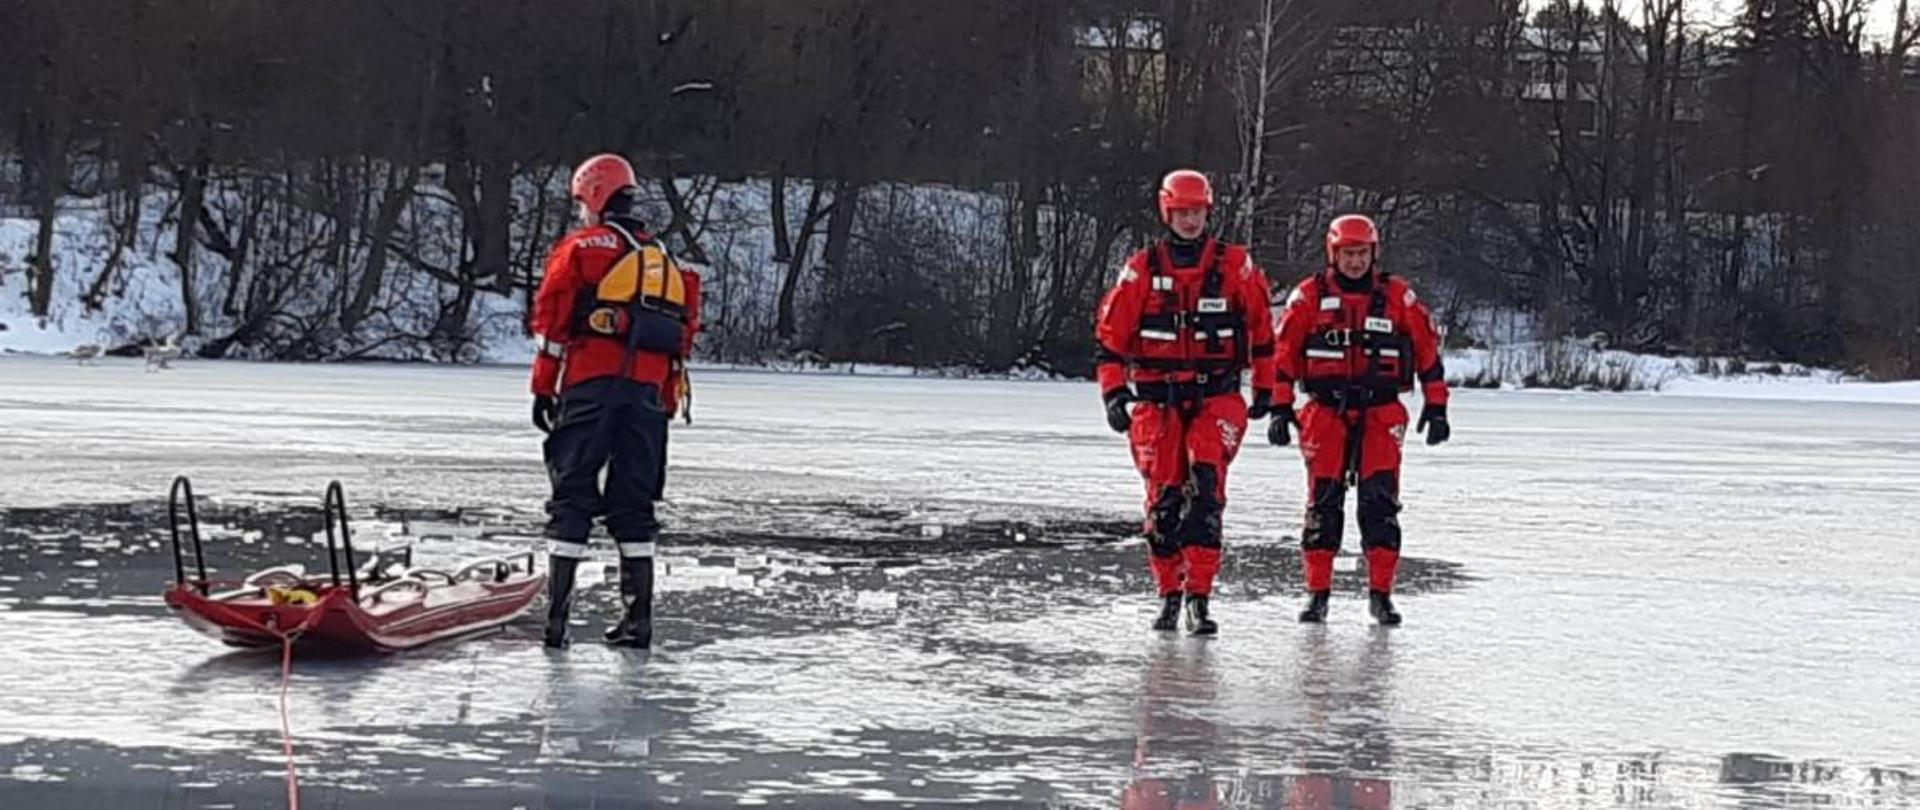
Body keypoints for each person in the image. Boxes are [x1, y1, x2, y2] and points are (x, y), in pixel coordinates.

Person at [1093, 168, 1278, 636]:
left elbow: (1261, 334)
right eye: (1182, 213)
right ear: (1167, 212)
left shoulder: (1236, 266)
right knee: (1164, 505)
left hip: (1216, 397)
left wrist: (1266, 391)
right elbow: (1111, 341)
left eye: (1196, 212)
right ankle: (1169, 595)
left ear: (1207, 211)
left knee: (1206, 494)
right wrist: (1114, 394)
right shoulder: (1141, 269)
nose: (1190, 221)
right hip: (1157, 403)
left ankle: (1199, 596)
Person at [527, 153, 701, 649]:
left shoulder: (582, 248)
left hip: (591, 387)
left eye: (583, 203)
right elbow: (682, 340)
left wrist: (544, 387)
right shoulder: (667, 262)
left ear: (596, 197)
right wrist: (662, 401)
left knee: (572, 495)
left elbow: (553, 320)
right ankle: (638, 621)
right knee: (635, 504)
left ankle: (556, 622)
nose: (582, 212)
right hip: (648, 398)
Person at [1269, 214, 1449, 625]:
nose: (1355, 262)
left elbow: (1427, 352)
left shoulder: (1398, 297)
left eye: (1362, 254)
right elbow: (1284, 356)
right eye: (1348, 254)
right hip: (1325, 410)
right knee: (1323, 503)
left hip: (1381, 411)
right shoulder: (1308, 297)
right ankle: (1318, 594)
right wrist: (1280, 407)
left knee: (1380, 503)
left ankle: (1381, 594)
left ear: (1374, 253)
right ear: (1334, 254)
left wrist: (1436, 405)